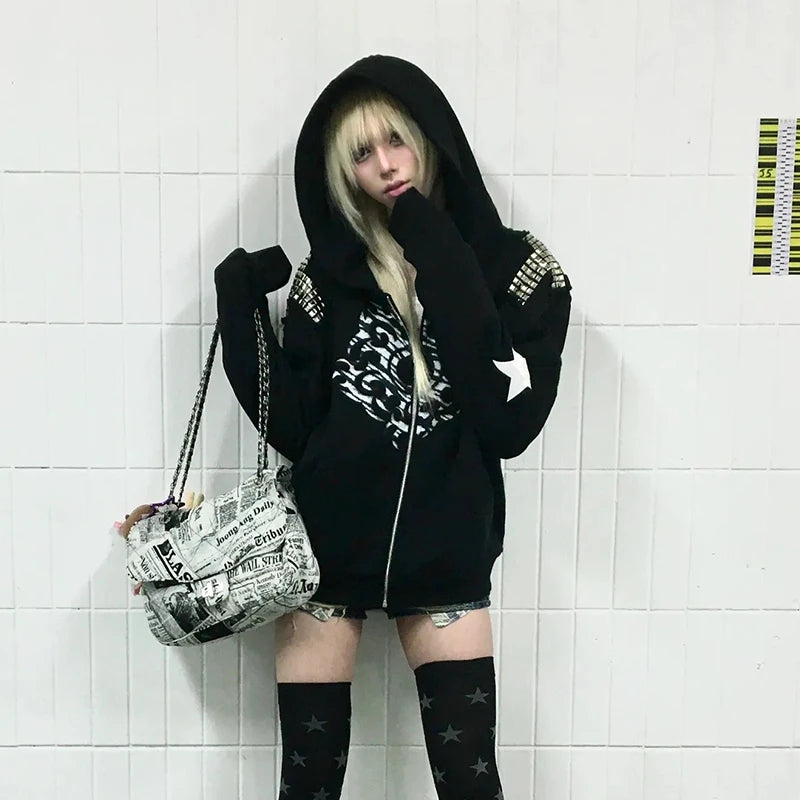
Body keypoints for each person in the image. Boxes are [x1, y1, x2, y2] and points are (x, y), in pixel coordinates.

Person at [124, 54, 571, 799]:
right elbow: (297, 427)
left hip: (448, 556)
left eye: (396, 140)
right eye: (362, 153)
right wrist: (240, 309)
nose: (385, 165)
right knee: (307, 785)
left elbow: (509, 422)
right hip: (320, 556)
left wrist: (430, 238)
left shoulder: (520, 272)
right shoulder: (327, 278)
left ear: (431, 140)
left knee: (471, 783)